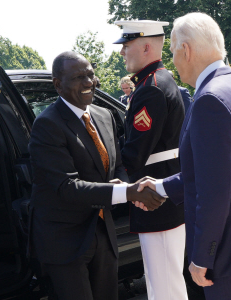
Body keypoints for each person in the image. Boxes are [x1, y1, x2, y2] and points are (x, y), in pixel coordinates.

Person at [137, 12, 231, 300]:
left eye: (172, 52)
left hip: (230, 254)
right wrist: (161, 186)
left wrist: (203, 256)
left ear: (186, 50)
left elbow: (214, 189)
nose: (173, 62)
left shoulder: (209, 100)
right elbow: (217, 172)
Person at [28, 51, 165, 300]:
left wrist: (126, 186)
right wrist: (127, 192)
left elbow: (119, 165)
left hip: (103, 232)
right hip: (65, 241)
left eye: (90, 74)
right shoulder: (48, 125)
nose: (90, 82)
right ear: (58, 84)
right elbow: (67, 186)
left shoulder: (104, 115)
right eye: (79, 77)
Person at [114, 20, 187, 300]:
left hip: (156, 200)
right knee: (163, 283)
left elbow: (134, 153)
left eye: (126, 45)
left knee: (165, 288)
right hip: (161, 197)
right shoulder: (156, 81)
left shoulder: (150, 88)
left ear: (146, 46)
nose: (122, 52)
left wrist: (109, 177)